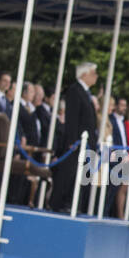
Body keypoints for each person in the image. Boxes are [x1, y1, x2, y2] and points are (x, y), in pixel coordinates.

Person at [51, 61, 99, 213]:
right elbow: (72, 118)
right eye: (93, 73)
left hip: (86, 142)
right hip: (77, 141)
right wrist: (72, 140)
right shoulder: (75, 90)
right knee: (69, 174)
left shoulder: (85, 93)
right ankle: (61, 203)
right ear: (84, 75)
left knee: (81, 176)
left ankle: (73, 204)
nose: (96, 77)